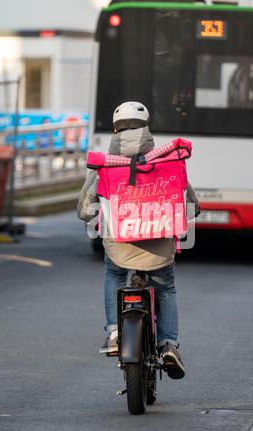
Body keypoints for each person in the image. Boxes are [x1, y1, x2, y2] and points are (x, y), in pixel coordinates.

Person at [78, 101, 200, 380]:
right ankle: (168, 344)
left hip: (120, 246)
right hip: (158, 246)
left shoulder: (105, 166)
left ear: (115, 130)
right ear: (147, 130)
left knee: (114, 273)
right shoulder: (167, 161)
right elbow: (190, 201)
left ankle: (114, 331)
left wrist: (91, 214)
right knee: (166, 289)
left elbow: (84, 209)